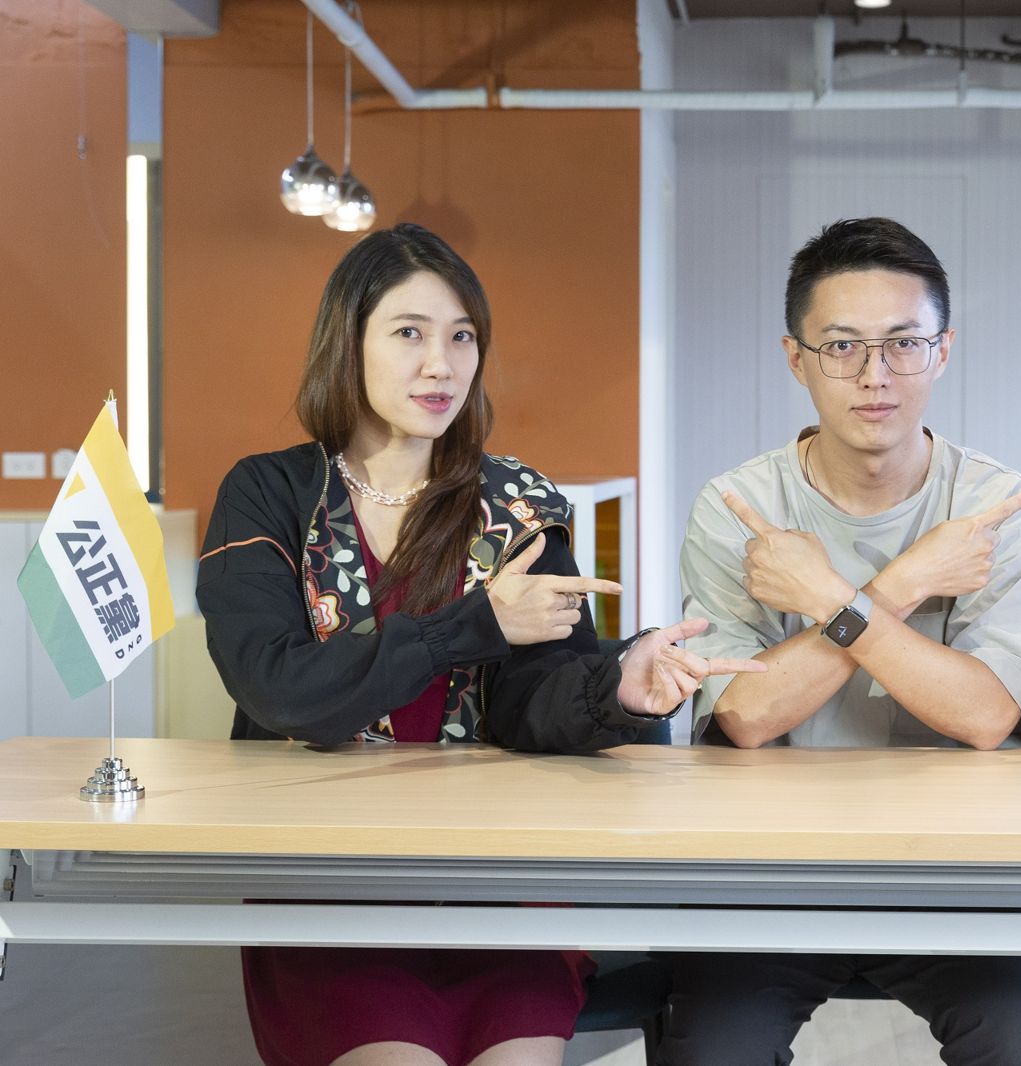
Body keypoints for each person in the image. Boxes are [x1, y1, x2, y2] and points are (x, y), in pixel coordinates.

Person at [197, 222, 761, 1066]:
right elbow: (280, 691)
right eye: (410, 333)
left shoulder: (519, 503)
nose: (441, 364)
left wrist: (617, 686)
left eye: (462, 337)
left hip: (498, 884)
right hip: (330, 884)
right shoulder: (270, 492)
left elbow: (534, 702)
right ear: (347, 343)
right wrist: (474, 624)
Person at [667, 217, 1021, 1064]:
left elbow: (986, 717)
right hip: (770, 865)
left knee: (1018, 1040)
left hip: (955, 866)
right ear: (796, 359)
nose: (875, 375)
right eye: (842, 346)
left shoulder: (997, 509)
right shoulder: (737, 509)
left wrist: (827, 600)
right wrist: (899, 585)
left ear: (943, 351)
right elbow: (745, 717)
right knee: (710, 1049)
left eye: (903, 344)